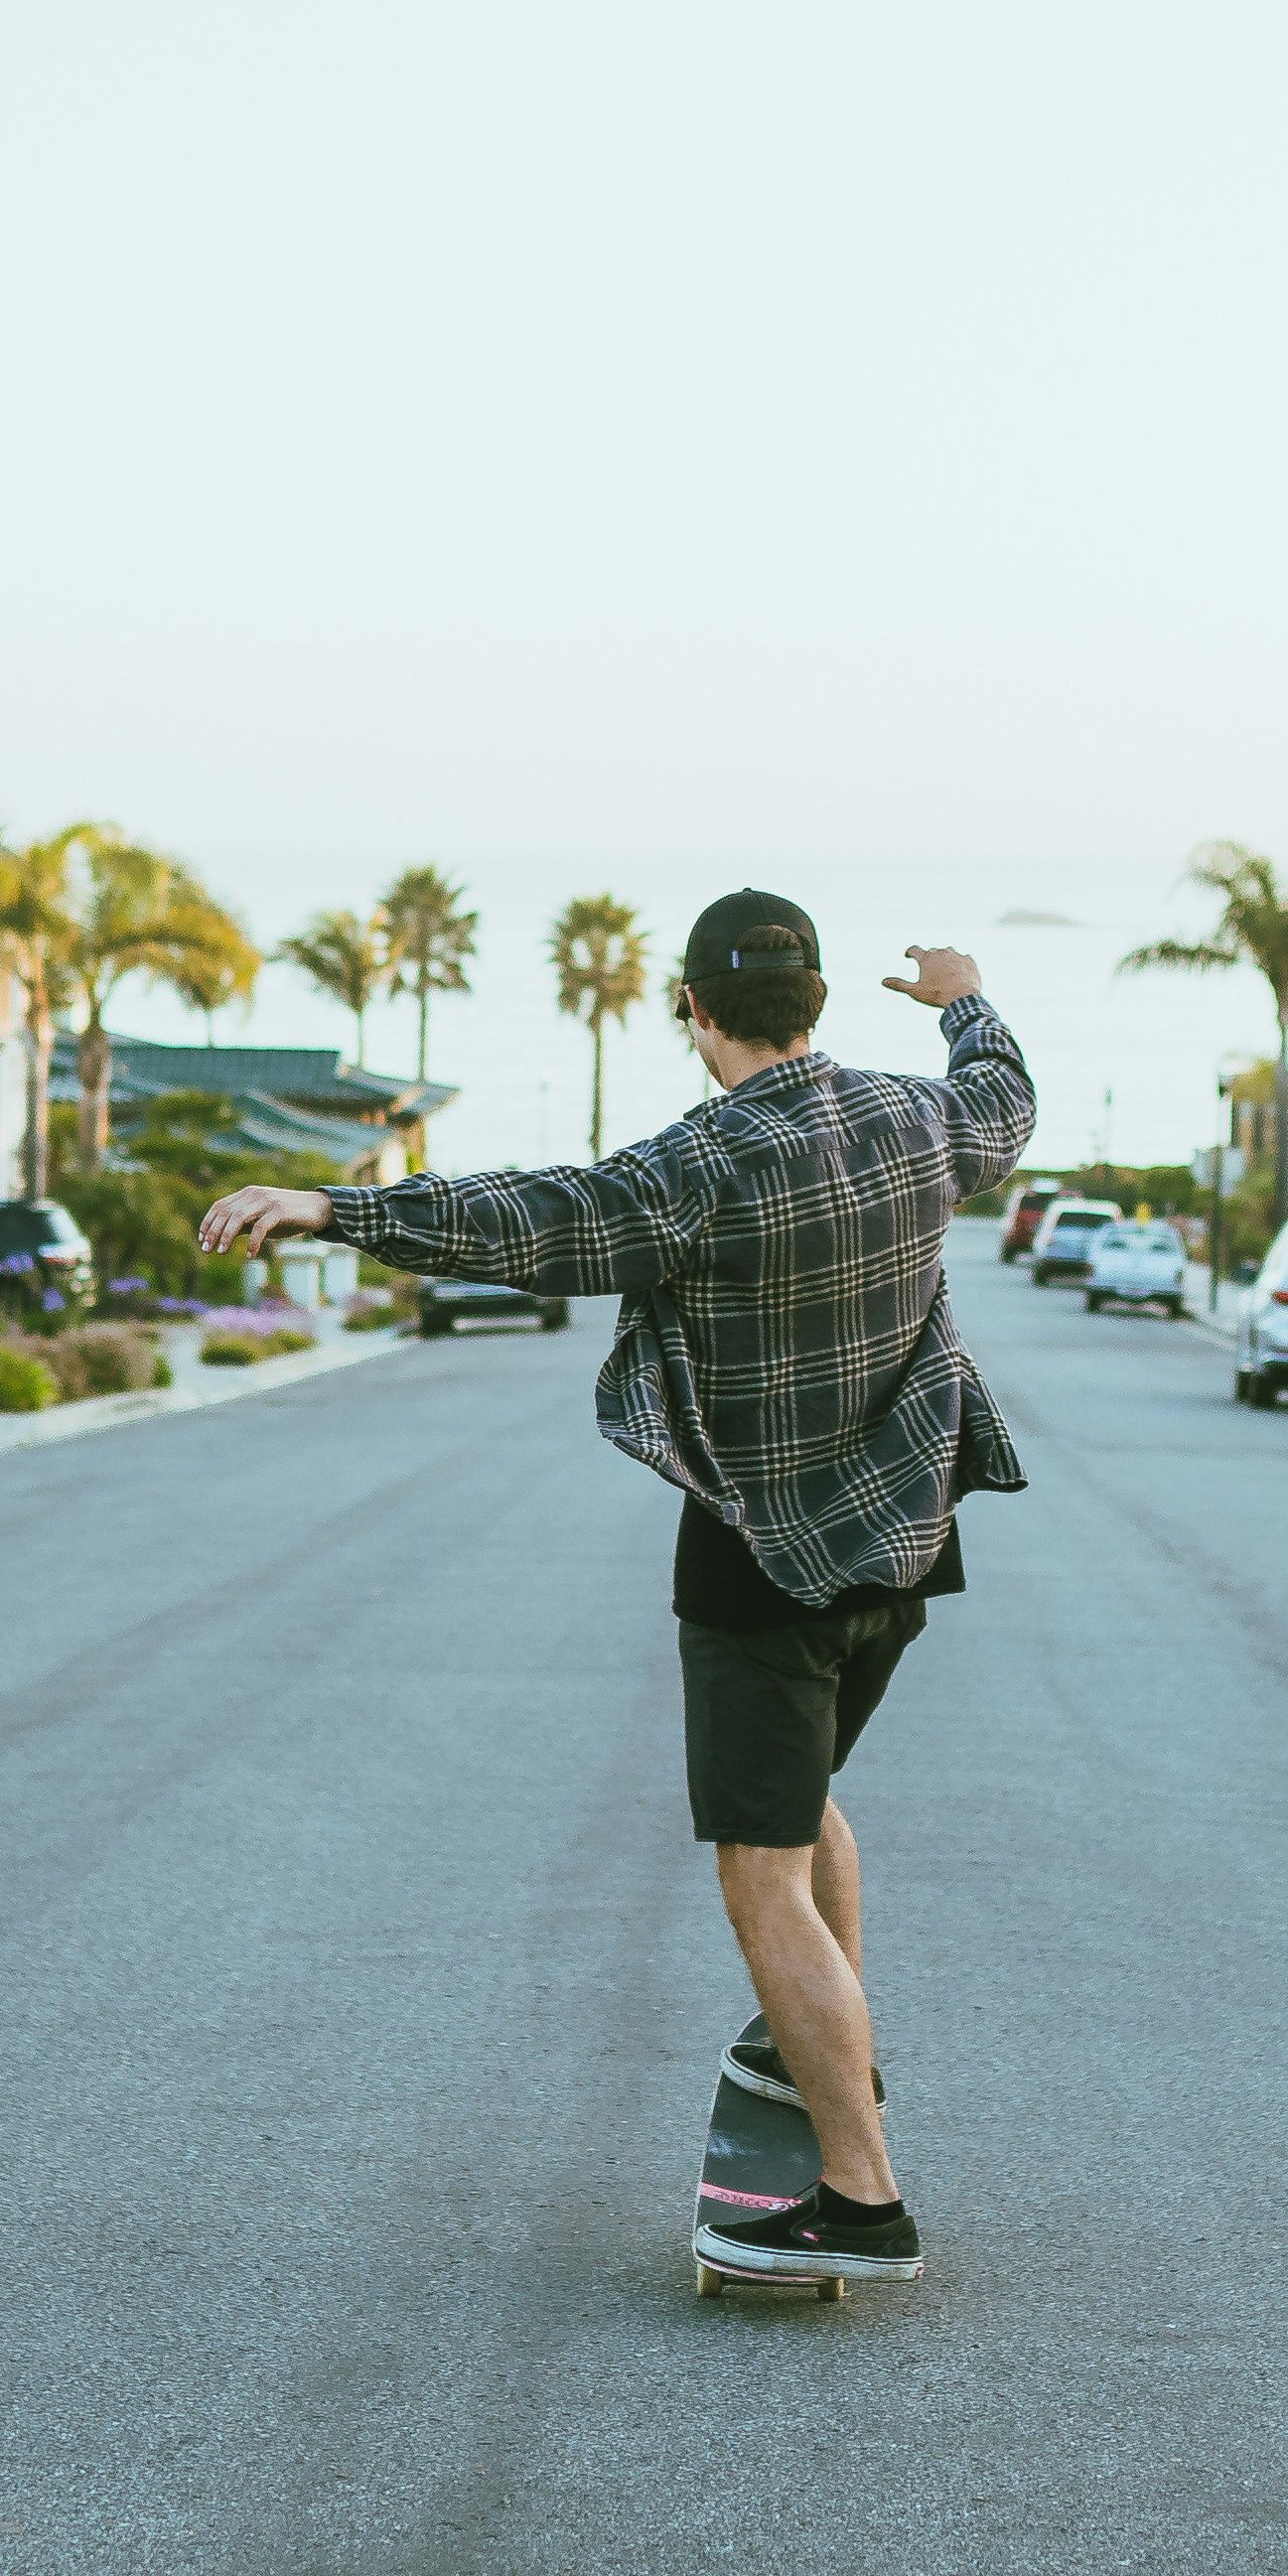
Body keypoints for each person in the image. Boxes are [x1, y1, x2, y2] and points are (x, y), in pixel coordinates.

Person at [198, 892, 1032, 2283]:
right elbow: (1002, 1089)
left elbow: (531, 1219)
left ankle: (864, 2199)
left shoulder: (698, 1166)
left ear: (697, 1015)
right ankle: (815, 2042)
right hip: (905, 1539)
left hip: (761, 1559)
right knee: (806, 1794)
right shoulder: (919, 1122)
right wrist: (960, 991)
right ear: (815, 1005)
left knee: (759, 1866)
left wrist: (339, 1208)